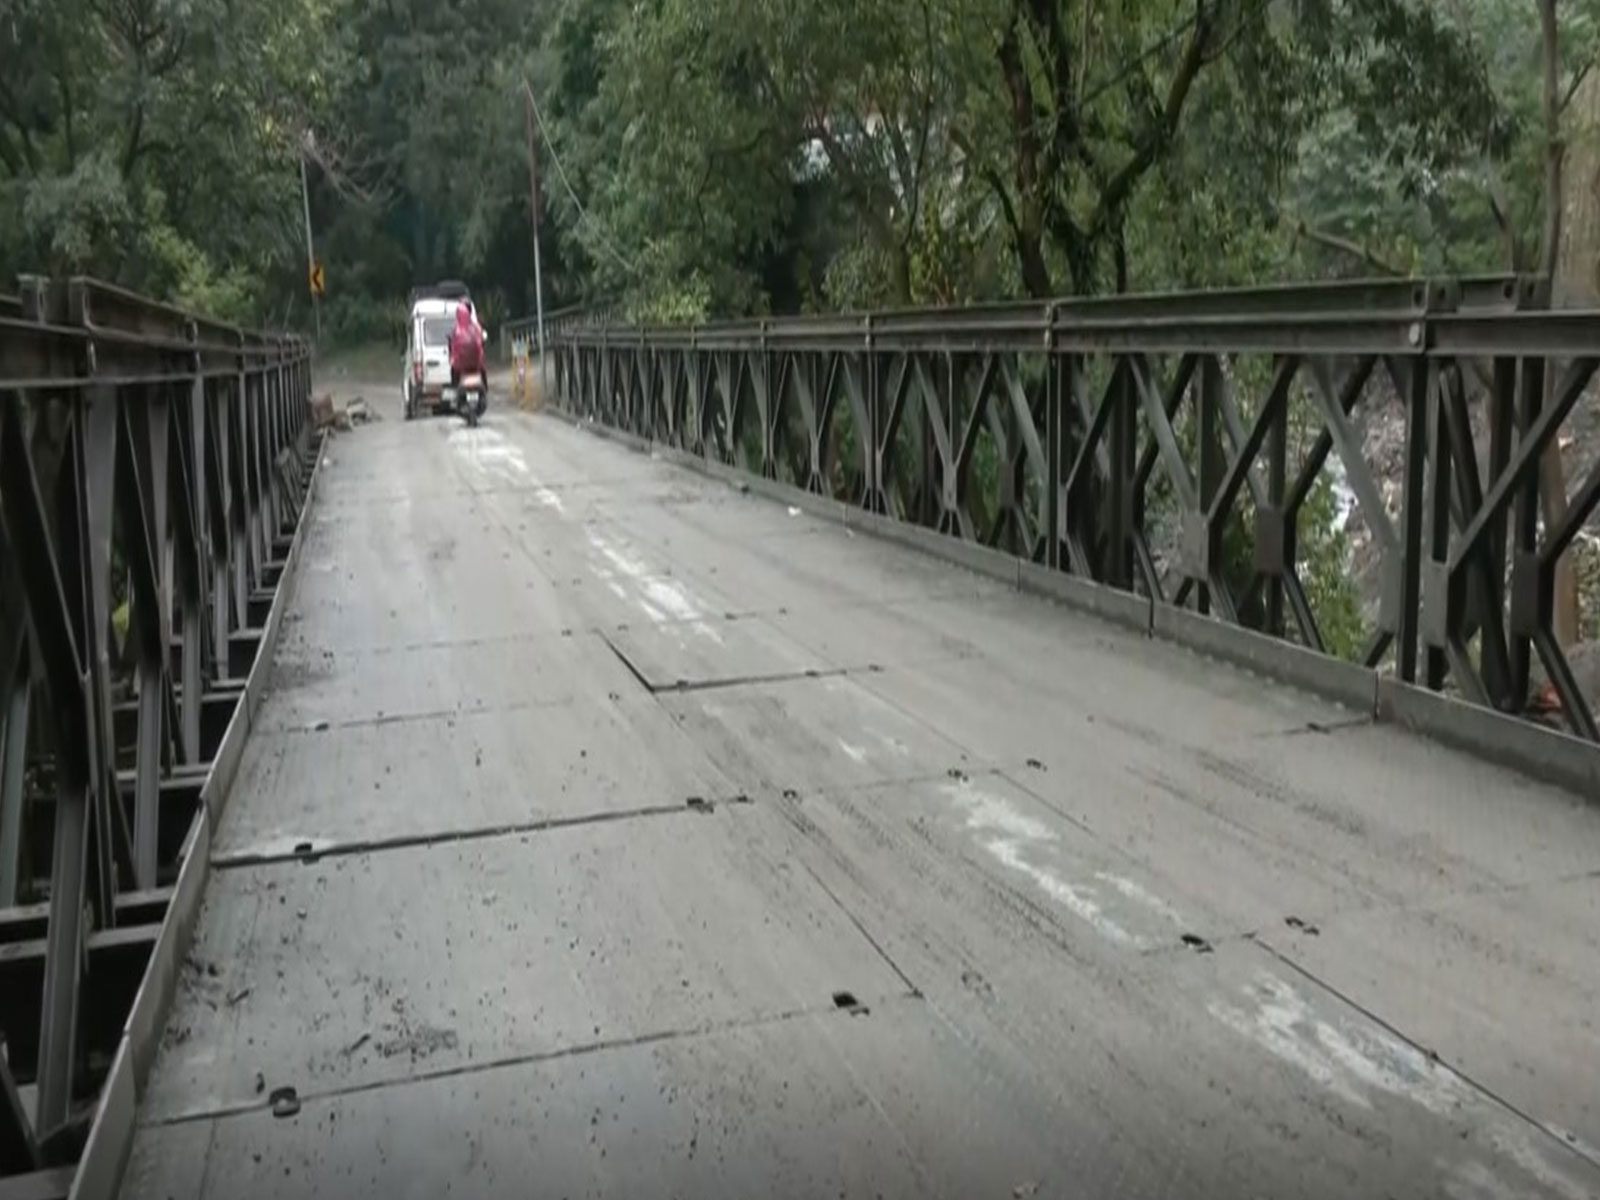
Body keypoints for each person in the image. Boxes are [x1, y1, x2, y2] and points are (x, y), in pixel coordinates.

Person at [448, 301, 486, 388]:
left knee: (454, 376)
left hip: (461, 367)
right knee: (483, 372)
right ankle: (485, 388)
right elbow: (481, 342)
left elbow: (453, 349)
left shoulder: (457, 331)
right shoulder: (476, 327)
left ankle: (455, 388)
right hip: (476, 365)